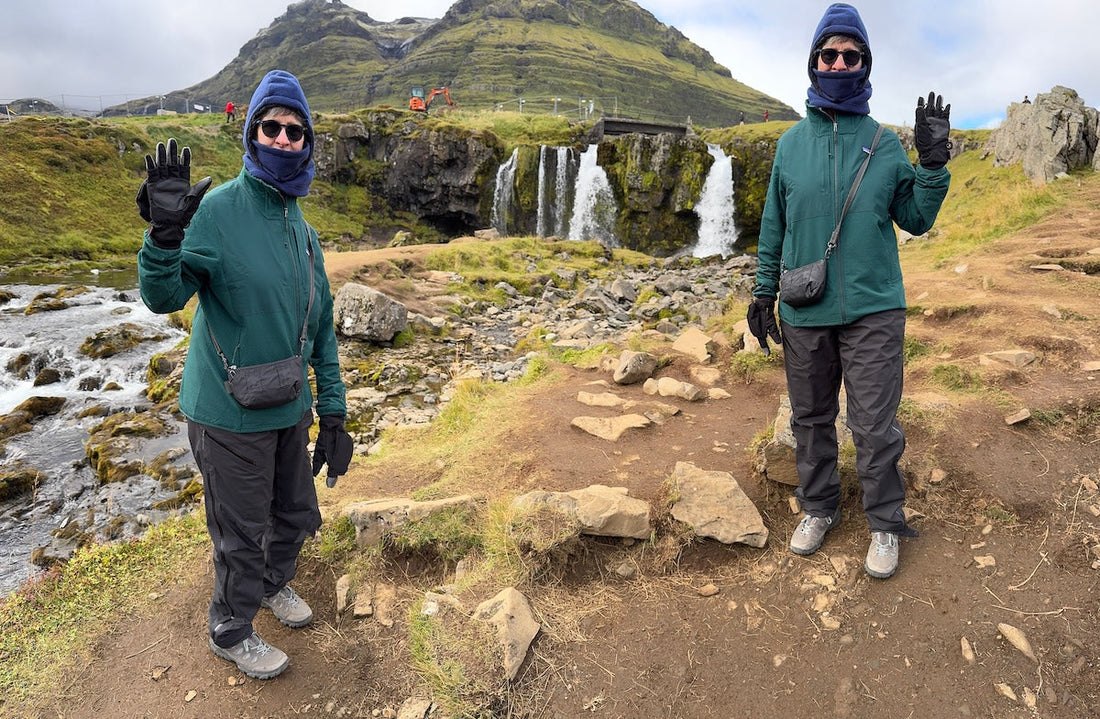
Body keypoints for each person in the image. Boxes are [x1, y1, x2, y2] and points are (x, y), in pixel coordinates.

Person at [136, 70, 354, 678]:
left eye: (295, 130)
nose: (283, 139)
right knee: (241, 527)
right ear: (252, 132)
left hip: (287, 404)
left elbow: (322, 330)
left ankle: (271, 585)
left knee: (293, 513)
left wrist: (332, 411)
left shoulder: (303, 232)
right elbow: (163, 295)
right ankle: (230, 628)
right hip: (227, 412)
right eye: (272, 126)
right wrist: (163, 235)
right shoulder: (217, 213)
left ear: (306, 141)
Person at [746, 3, 951, 579]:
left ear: (864, 65)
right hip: (804, 309)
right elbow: (773, 225)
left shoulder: (884, 144)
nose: (839, 63)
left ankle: (885, 521)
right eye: (829, 54)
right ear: (813, 62)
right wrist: (764, 293)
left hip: (873, 308)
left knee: (873, 424)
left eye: (850, 55)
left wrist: (932, 165)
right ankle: (819, 507)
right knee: (809, 418)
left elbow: (915, 217)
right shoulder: (789, 144)